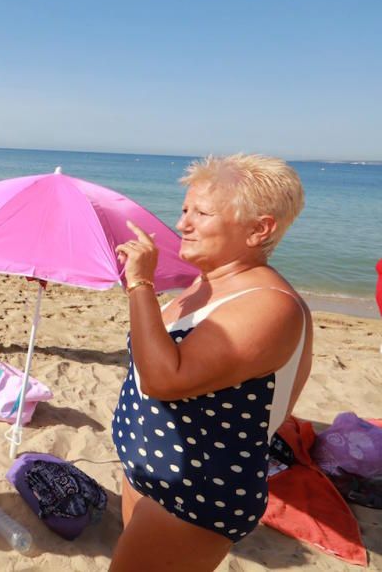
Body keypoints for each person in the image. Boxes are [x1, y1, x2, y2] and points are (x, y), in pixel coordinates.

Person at [109, 154, 312, 572]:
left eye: (201, 213)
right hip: (149, 468)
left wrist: (141, 283)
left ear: (260, 228)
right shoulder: (207, 282)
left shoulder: (270, 306)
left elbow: (164, 378)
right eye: (185, 210)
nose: (183, 223)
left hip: (195, 493)